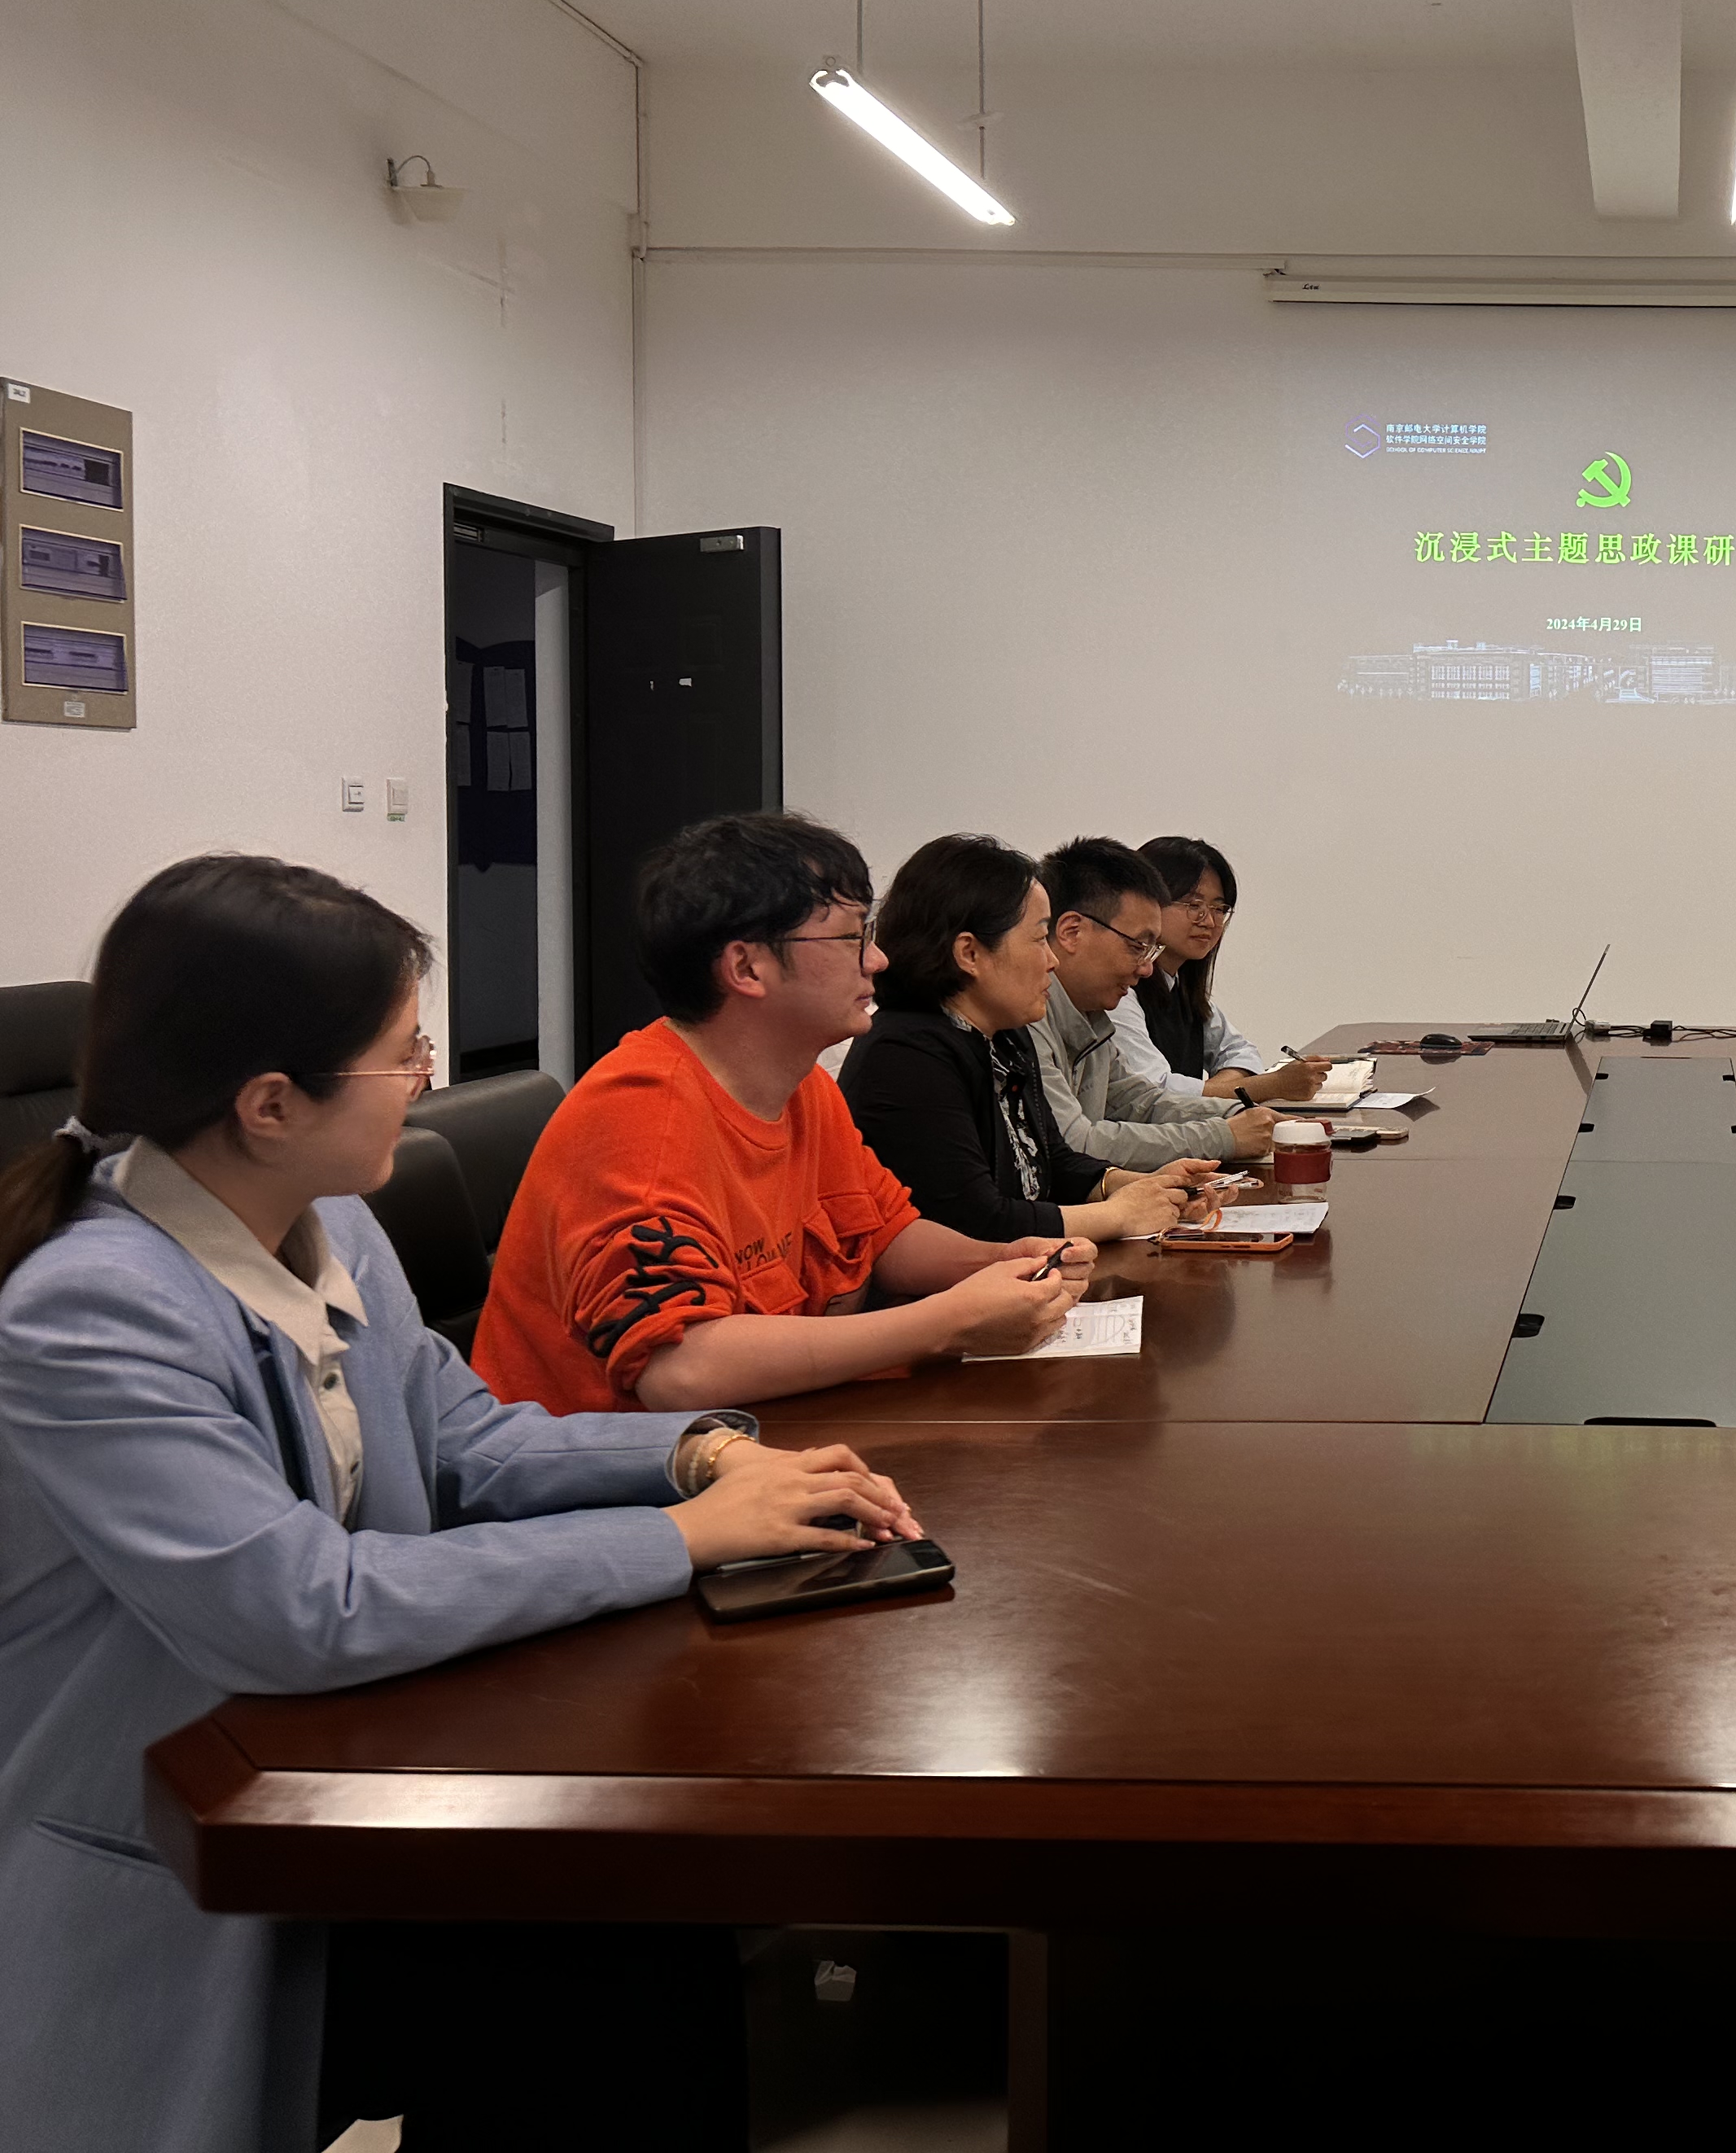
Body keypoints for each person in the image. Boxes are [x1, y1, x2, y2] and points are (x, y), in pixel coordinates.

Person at [0, 854, 916, 2152]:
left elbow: (468, 1445)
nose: (427, 1078)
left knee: (631, 1949)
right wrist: (676, 1539)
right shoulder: (92, 1308)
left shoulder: (330, 1223)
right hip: (181, 1842)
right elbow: (299, 1610)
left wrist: (697, 1459)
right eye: (403, 1054)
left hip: (340, 1769)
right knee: (595, 1989)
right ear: (271, 1104)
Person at [472, 812, 1094, 1415]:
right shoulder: (641, 1119)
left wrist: (1003, 1262)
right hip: (625, 1470)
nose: (876, 960)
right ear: (747, 968)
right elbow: (682, 1370)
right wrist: (947, 1322)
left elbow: (884, 1236)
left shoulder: (801, 1086)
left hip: (773, 1428)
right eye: (851, 937)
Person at [838, 834, 1218, 1245]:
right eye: (1039, 938)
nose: (1051, 959)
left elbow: (1053, 1160)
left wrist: (1142, 1186)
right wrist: (1120, 1215)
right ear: (970, 954)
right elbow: (974, 1221)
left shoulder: (1004, 1036)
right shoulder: (907, 1055)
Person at [1029, 835, 1280, 1171]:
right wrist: (1225, 1135)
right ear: (1072, 932)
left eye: (1219, 909)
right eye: (1138, 946)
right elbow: (1076, 1142)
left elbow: (1140, 1101)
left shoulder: (1091, 1016)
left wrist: (1240, 1114)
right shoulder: (1025, 1021)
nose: (1147, 968)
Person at [1118, 835, 1327, 1107]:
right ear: (1147, 902)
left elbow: (1241, 1052)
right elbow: (1157, 1092)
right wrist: (1270, 1086)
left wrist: (1221, 1089)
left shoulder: (1181, 988)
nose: (1209, 920)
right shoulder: (1119, 993)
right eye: (1194, 905)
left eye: (1219, 908)